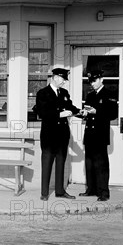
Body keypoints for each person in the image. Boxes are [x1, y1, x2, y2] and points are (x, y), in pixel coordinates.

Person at [35, 68, 81, 201]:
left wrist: (81, 113)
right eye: (62, 79)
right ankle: (44, 193)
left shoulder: (64, 93)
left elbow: (71, 107)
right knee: (47, 163)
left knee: (61, 163)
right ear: (54, 77)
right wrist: (59, 114)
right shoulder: (43, 93)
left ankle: (60, 191)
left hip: (62, 135)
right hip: (49, 135)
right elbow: (42, 113)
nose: (64, 82)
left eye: (65, 80)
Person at [79, 70, 119, 202]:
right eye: (90, 81)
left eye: (94, 81)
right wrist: (83, 113)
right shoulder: (90, 95)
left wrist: (97, 111)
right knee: (89, 163)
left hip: (100, 135)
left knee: (101, 164)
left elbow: (113, 114)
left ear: (101, 79)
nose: (92, 83)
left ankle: (104, 192)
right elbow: (87, 112)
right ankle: (91, 189)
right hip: (90, 134)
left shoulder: (109, 94)